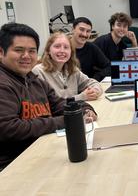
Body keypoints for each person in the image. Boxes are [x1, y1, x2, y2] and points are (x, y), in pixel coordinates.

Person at [0, 23, 97, 170]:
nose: (26, 56)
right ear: (1, 52)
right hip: (12, 166)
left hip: (40, 154)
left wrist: (84, 108)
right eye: (19, 50)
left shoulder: (34, 80)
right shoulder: (4, 83)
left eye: (32, 51)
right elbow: (8, 128)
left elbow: (60, 105)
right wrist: (67, 120)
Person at [32, 32, 103, 101]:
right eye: (57, 46)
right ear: (48, 50)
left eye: (66, 47)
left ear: (71, 52)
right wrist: (81, 97)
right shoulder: (38, 72)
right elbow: (48, 103)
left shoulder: (72, 70)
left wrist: (95, 91)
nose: (62, 50)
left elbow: (93, 83)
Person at [71, 17, 110, 81]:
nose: (84, 34)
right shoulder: (64, 48)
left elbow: (109, 67)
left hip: (87, 86)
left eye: (88, 31)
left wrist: (96, 77)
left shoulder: (91, 47)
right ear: (73, 29)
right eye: (81, 29)